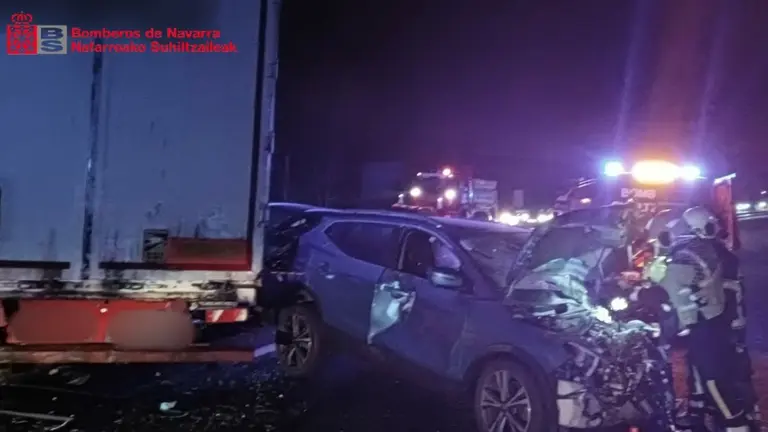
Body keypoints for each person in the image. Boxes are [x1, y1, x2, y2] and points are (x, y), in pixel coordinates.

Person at [651, 206, 756, 432]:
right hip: (721, 321)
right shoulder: (714, 250)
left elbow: (672, 283)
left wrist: (645, 289)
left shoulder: (689, 253)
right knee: (706, 370)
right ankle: (704, 413)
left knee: (714, 377)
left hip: (710, 323)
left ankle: (736, 424)